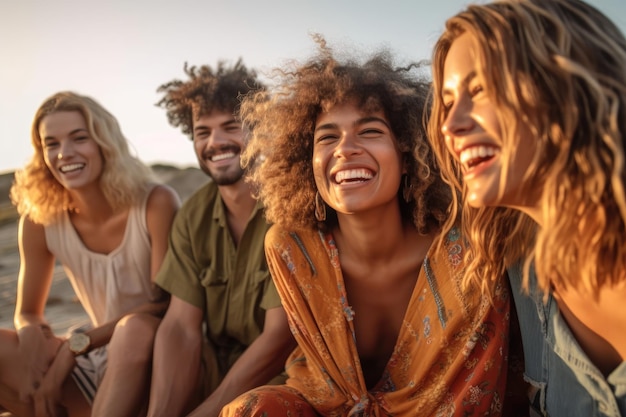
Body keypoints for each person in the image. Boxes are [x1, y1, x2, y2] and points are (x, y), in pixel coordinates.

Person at [220, 35, 525, 416]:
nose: (346, 148)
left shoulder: (465, 250)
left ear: (409, 152)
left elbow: (476, 388)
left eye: (370, 131)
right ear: (305, 162)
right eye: (327, 137)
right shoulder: (293, 249)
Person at [428, 0, 626, 416]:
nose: (449, 124)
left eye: (479, 90)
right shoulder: (518, 260)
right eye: (448, 101)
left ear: (565, 83)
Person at [0, 91, 180, 417]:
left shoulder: (155, 203)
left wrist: (74, 347)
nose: (64, 153)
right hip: (97, 363)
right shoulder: (41, 221)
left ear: (103, 143)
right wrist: (31, 345)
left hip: (159, 360)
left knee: (134, 329)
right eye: (51, 144)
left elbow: (161, 303)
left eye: (79, 138)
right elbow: (28, 312)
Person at [145, 60, 296, 417]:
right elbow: (181, 326)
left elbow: (280, 337)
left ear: (259, 130)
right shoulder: (192, 216)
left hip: (286, 379)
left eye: (231, 126)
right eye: (202, 131)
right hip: (216, 369)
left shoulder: (291, 207)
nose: (216, 142)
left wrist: (207, 412)